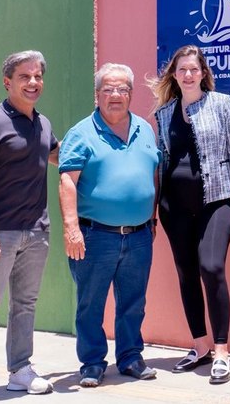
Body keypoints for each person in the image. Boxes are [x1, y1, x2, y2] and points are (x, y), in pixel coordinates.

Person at [151, 44, 230, 385]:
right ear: (174, 73)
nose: (188, 74)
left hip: (216, 201)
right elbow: (160, 162)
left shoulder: (221, 104)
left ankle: (222, 351)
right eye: (182, 69)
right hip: (174, 206)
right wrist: (152, 209)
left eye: (194, 69)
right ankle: (200, 347)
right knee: (186, 274)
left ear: (203, 74)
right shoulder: (164, 113)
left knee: (211, 267)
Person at [57, 63, 162, 388]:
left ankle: (130, 357)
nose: (115, 95)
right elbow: (67, 181)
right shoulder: (82, 132)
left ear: (130, 94)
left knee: (134, 301)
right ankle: (91, 363)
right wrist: (71, 228)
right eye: (109, 89)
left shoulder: (145, 129)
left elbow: (153, 174)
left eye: (122, 89)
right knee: (91, 303)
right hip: (94, 236)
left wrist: (152, 217)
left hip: (139, 235)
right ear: (97, 94)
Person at [0, 50, 57, 404]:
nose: (33, 83)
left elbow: (58, 155)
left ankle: (20, 371)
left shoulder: (42, 123)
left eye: (37, 76)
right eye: (24, 77)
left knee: (25, 304)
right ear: (8, 82)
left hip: (36, 232)